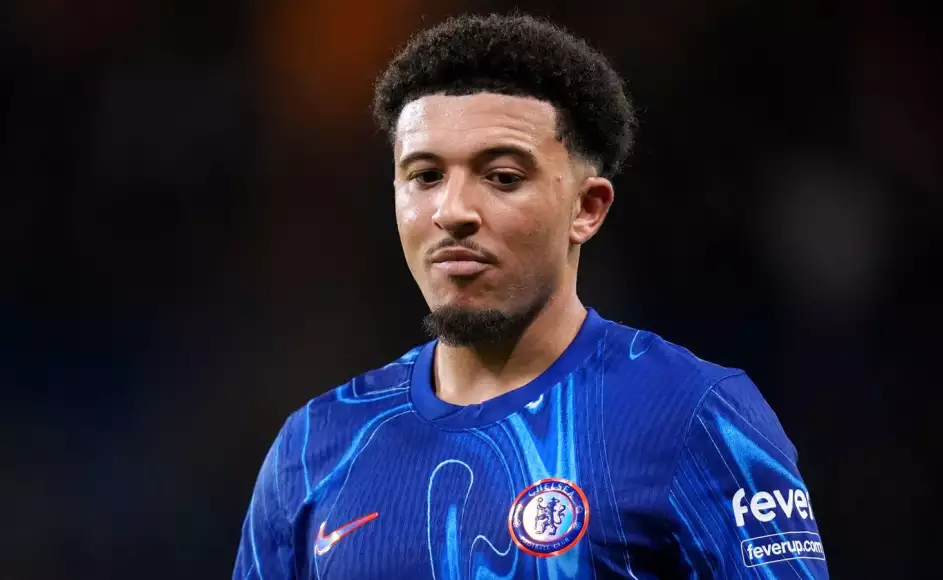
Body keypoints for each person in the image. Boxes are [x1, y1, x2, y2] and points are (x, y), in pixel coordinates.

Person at [232, 13, 828, 579]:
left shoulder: (695, 416)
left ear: (586, 208)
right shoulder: (313, 447)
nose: (453, 211)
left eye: (503, 177)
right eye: (425, 176)